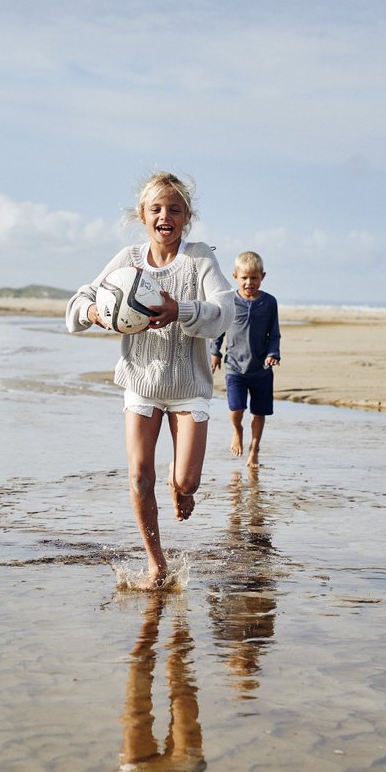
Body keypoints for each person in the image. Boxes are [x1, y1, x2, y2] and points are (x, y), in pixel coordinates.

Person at [67, 172, 235, 588]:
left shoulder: (198, 259)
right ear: (142, 216)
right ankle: (156, 562)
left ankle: (183, 488)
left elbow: (226, 311)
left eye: (174, 209)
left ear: (186, 217)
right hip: (141, 383)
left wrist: (181, 311)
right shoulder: (128, 260)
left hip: (189, 387)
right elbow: (79, 301)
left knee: (185, 480)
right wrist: (94, 313)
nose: (165, 216)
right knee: (140, 477)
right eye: (156, 209)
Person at [211, 251, 281, 466]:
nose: (249, 282)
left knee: (259, 413)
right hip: (234, 367)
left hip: (261, 369)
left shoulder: (269, 303)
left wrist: (273, 354)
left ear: (262, 277)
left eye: (254, 278)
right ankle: (237, 431)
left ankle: (254, 449)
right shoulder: (230, 300)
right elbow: (219, 330)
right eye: (244, 278)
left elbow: (274, 333)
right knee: (236, 409)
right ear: (235, 276)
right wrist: (215, 352)